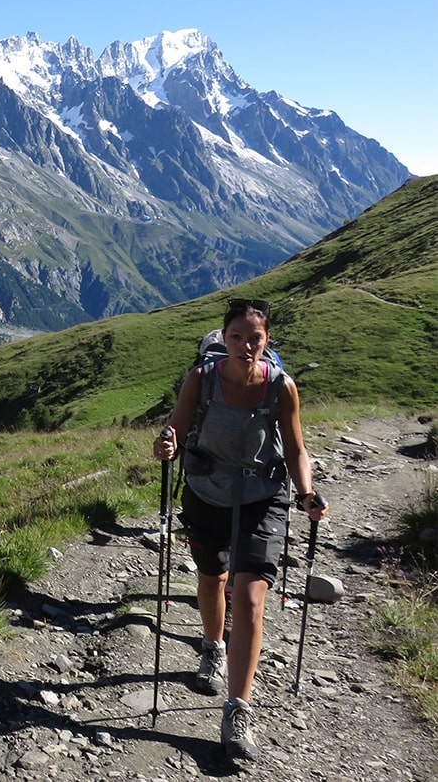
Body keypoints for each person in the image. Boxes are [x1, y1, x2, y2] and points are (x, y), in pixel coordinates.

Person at [152, 298, 329, 761]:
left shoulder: (281, 387)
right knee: (211, 579)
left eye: (255, 338)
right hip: (207, 493)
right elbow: (175, 430)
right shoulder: (202, 379)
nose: (246, 345)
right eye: (237, 337)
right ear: (224, 338)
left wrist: (306, 492)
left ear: (267, 340)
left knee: (250, 597)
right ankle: (212, 647)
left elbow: (295, 448)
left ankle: (238, 708)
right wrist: (166, 445)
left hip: (262, 499)